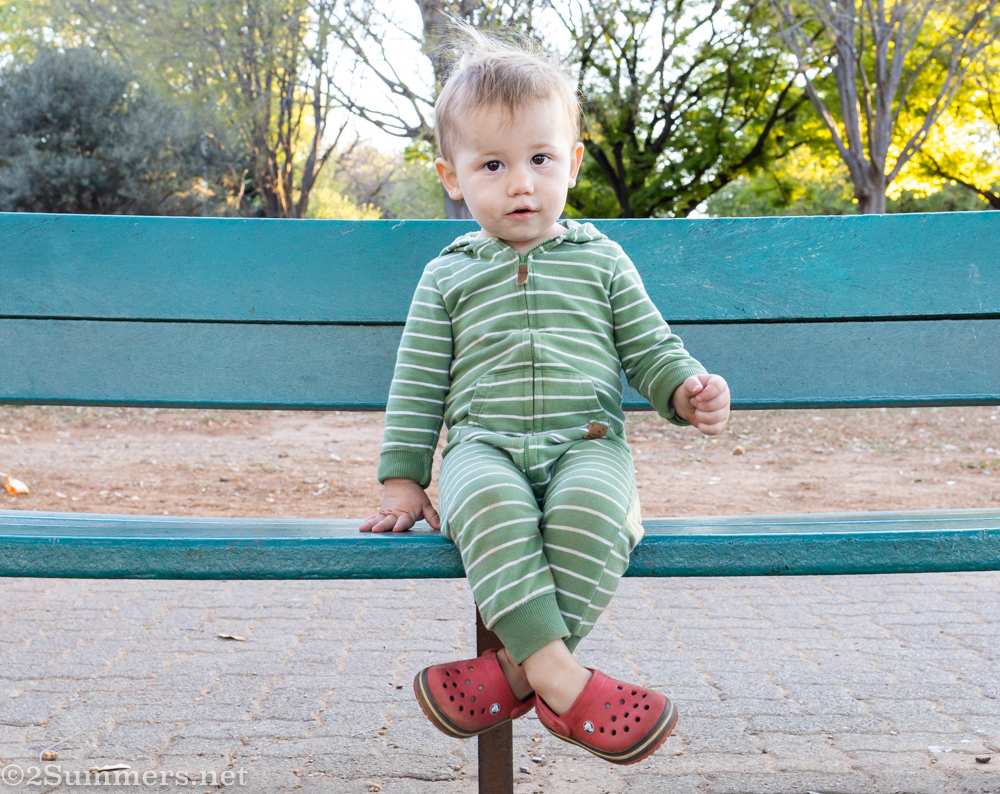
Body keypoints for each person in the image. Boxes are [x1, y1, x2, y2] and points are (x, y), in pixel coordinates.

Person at [359, 25, 730, 765]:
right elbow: (419, 383)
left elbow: (650, 347)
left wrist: (686, 392)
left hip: (585, 444)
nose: (521, 183)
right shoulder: (447, 276)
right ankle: (564, 680)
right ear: (452, 176)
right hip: (481, 448)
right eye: (493, 164)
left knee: (595, 509)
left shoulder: (602, 261)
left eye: (539, 159)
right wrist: (404, 480)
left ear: (573, 162)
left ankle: (512, 675)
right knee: (490, 506)